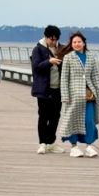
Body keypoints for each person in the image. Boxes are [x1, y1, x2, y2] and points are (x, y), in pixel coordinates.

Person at [59, 31, 99, 158]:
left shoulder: (90, 57)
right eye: (74, 42)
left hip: (89, 95)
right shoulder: (68, 57)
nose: (77, 44)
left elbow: (95, 76)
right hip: (74, 95)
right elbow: (64, 78)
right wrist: (65, 96)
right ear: (71, 44)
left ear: (84, 43)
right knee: (73, 120)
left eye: (79, 42)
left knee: (89, 120)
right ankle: (74, 147)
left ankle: (89, 146)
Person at [30, 25, 64, 153]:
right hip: (44, 88)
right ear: (45, 37)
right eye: (51, 39)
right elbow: (36, 67)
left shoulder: (61, 48)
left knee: (55, 116)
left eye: (55, 39)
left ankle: (51, 142)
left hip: (58, 88)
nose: (53, 42)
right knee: (43, 116)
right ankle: (42, 143)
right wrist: (49, 62)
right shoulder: (38, 50)